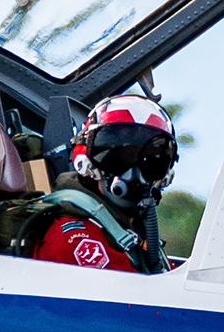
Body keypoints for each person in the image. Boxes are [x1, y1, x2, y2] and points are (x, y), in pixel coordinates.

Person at [16, 94, 178, 273]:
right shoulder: (76, 241)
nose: (133, 173)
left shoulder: (132, 233)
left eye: (152, 160)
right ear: (87, 160)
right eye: (117, 155)